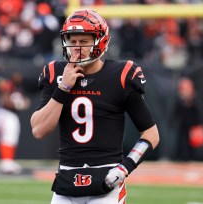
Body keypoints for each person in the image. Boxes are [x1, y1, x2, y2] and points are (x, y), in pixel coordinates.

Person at [30, 9, 160, 204]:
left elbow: (151, 134)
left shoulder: (121, 75)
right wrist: (63, 87)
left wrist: (125, 168)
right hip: (67, 179)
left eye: (84, 42)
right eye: (72, 42)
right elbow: (39, 129)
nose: (77, 48)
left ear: (101, 41)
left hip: (106, 180)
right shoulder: (55, 73)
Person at [0, 72, 30, 174]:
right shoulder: (8, 85)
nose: (19, 77)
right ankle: (6, 162)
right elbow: (5, 101)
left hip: (12, 115)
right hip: (5, 114)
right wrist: (18, 105)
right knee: (6, 138)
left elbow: (26, 102)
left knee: (12, 139)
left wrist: (21, 104)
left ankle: (8, 161)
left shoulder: (18, 87)